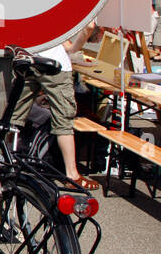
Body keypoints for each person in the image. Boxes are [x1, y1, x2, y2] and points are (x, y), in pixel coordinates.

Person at [9, 22, 99, 191]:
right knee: (64, 121)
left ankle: (5, 161)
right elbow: (89, 27)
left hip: (26, 56)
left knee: (14, 116)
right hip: (54, 64)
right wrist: (76, 48)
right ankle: (72, 174)